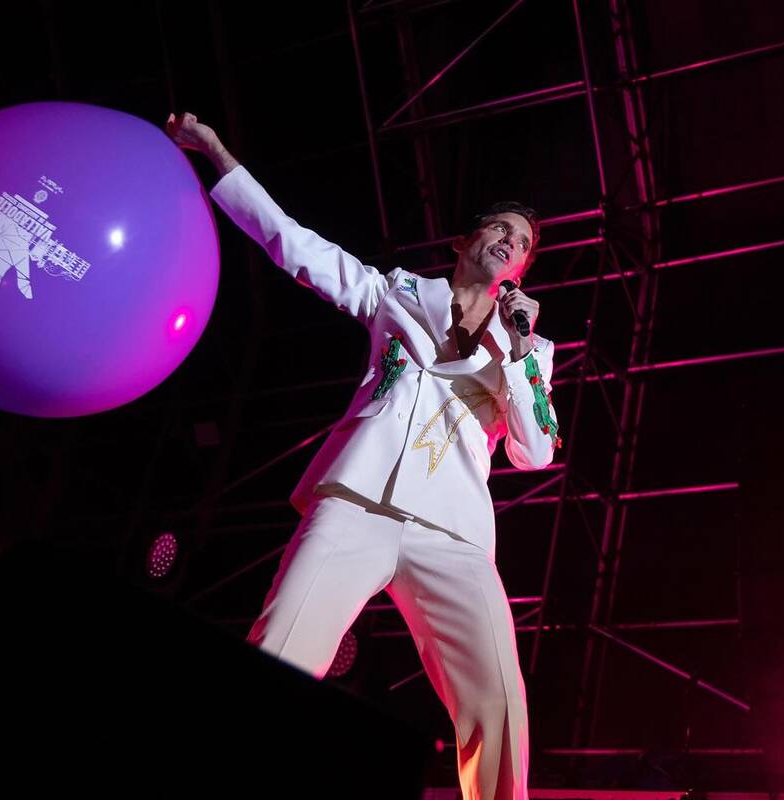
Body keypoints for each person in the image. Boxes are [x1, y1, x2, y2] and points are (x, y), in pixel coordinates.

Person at [167, 111, 560, 800]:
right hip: (355, 504)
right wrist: (219, 154)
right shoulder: (398, 293)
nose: (509, 241)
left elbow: (536, 451)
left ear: (521, 269)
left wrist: (521, 358)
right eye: (500, 227)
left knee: (499, 707)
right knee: (279, 651)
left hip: (454, 533)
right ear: (467, 240)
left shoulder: (529, 350)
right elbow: (294, 243)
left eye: (522, 242)